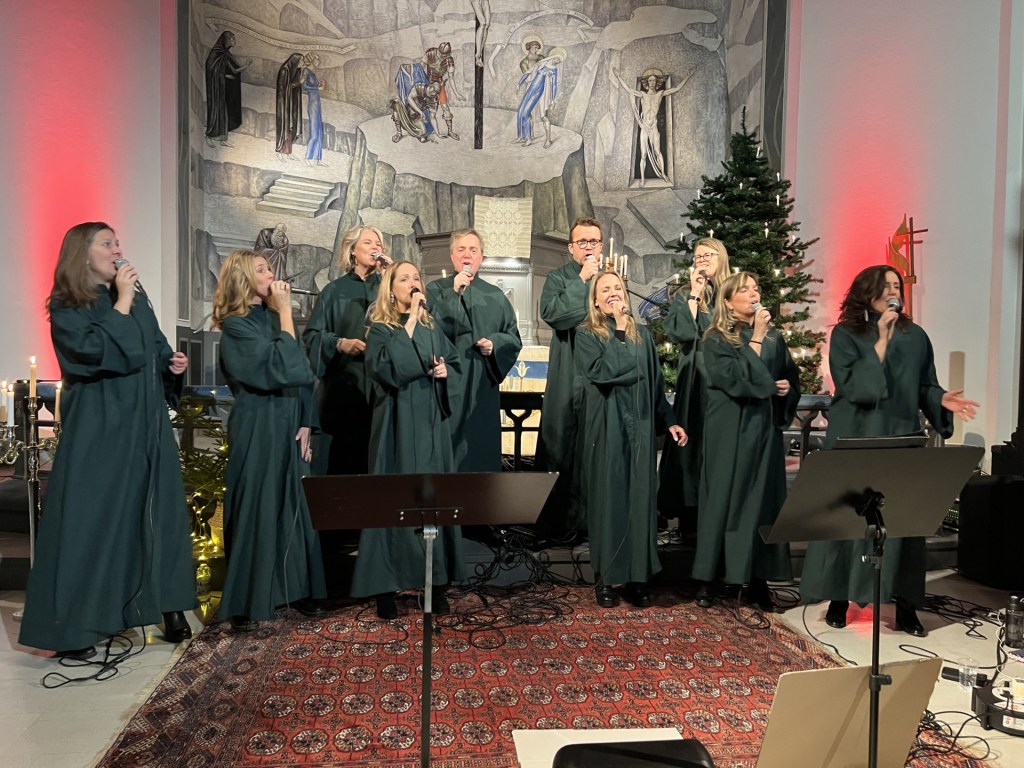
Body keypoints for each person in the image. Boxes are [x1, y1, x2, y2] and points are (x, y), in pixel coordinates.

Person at [19, 222, 194, 659]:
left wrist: (170, 364)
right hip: (102, 425)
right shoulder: (68, 304)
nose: (118, 250)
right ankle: (76, 626)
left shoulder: (135, 298)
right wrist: (123, 301)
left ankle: (167, 605)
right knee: (93, 519)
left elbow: (152, 345)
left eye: (118, 242)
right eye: (108, 243)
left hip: (146, 422)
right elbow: (93, 354)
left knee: (158, 512)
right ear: (83, 253)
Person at [800, 265, 979, 636]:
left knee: (902, 521)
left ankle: (906, 605)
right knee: (848, 520)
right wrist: (880, 339)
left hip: (900, 435)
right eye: (886, 286)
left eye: (897, 286)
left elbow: (924, 384)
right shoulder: (846, 334)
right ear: (867, 291)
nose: (893, 291)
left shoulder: (916, 336)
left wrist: (939, 399)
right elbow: (854, 387)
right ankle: (839, 598)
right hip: (855, 438)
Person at [212, 250, 327, 630]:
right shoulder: (236, 326)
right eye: (261, 269)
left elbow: (304, 374)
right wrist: (286, 313)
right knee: (257, 506)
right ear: (244, 279)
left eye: (269, 267)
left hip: (291, 421)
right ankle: (247, 601)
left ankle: (296, 588)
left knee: (293, 504)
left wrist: (307, 422)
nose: (271, 274)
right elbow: (281, 367)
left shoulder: (274, 319)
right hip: (259, 423)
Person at [352, 261, 465, 619]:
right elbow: (387, 368)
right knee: (393, 499)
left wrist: (446, 372)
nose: (414, 283)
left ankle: (436, 582)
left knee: (433, 498)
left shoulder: (433, 329)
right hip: (397, 425)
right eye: (405, 279)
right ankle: (385, 586)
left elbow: (455, 363)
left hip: (430, 427)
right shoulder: (381, 329)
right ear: (390, 290)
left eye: (417, 277)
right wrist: (412, 320)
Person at [576, 271, 687, 608]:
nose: (613, 293)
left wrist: (669, 420)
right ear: (596, 301)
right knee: (610, 502)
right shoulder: (587, 334)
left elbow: (654, 383)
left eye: (618, 288)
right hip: (608, 427)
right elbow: (602, 372)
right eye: (605, 289)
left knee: (640, 503)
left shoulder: (643, 336)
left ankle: (638, 577)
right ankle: (607, 577)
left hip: (640, 427)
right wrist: (620, 331)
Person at [691, 271, 800, 611]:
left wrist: (785, 389)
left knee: (761, 502)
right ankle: (709, 578)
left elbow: (788, 377)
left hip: (762, 429)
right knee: (724, 499)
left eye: (756, 288)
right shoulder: (715, 339)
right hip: (728, 429)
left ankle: (757, 578)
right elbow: (736, 380)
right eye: (745, 290)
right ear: (727, 301)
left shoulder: (774, 339)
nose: (754, 294)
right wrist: (757, 339)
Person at [426, 228, 522, 471]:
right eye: (461, 249)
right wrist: (453, 294)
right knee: (447, 449)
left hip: (482, 383)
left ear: (481, 257)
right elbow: (427, 330)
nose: (467, 255)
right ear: (452, 256)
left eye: (473, 250)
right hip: (446, 383)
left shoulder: (496, 296)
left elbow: (513, 337)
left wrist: (495, 344)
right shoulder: (436, 290)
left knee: (480, 448)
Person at [657, 238, 732, 532]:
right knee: (692, 442)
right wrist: (695, 295)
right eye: (697, 256)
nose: (701, 260)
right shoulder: (685, 294)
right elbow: (681, 332)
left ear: (720, 258)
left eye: (707, 255)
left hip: (723, 378)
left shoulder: (733, 292)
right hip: (695, 380)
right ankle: (690, 514)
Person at [302, 226, 390, 476]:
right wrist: (340, 343)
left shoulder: (388, 290)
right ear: (352, 250)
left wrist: (391, 279)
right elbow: (312, 336)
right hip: (344, 388)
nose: (375, 248)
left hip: (380, 387)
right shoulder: (334, 291)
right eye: (368, 243)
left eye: (379, 244)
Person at [537, 216, 603, 535]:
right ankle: (557, 527)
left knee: (594, 449)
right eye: (583, 242)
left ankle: (592, 525)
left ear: (601, 247)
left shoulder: (609, 280)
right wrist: (581, 280)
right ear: (571, 248)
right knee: (560, 445)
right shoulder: (558, 278)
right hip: (568, 371)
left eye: (594, 241)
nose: (589, 247)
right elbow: (555, 315)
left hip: (599, 375)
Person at [611, 68, 689, 184]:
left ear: (657, 82)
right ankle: (642, 179)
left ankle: (663, 174)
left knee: (658, 152)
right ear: (647, 83)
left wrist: (688, 76)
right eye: (650, 80)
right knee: (643, 154)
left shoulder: (660, 94)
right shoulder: (642, 94)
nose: (652, 82)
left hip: (654, 128)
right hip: (644, 127)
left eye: (654, 80)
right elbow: (628, 89)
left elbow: (676, 89)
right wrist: (618, 77)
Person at [516, 40, 563, 148]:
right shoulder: (542, 63)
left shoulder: (554, 70)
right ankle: (528, 137)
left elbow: (554, 85)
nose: (559, 61)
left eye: (560, 61)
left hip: (540, 93)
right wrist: (519, 83)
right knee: (524, 112)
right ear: (554, 57)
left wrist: (552, 99)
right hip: (531, 90)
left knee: (543, 116)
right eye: (558, 59)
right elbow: (528, 72)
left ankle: (548, 139)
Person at [204, 31, 248, 146]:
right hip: (215, 89)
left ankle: (223, 138)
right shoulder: (217, 53)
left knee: (224, 112)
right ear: (227, 40)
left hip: (223, 88)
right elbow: (211, 68)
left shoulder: (225, 53)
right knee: (215, 111)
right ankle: (210, 135)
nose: (234, 41)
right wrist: (224, 76)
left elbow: (233, 70)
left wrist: (246, 66)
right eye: (232, 39)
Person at [275, 53, 303, 158]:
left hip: (290, 102)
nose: (302, 63)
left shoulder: (294, 71)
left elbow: (292, 86)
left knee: (290, 127)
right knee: (285, 127)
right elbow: (284, 87)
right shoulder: (284, 71)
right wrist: (299, 82)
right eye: (301, 61)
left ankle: (287, 152)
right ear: (295, 61)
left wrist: (298, 81)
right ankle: (281, 152)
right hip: (284, 103)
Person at [301, 53, 326, 165]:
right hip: (313, 104)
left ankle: (318, 158)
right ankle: (308, 157)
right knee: (315, 132)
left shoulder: (313, 73)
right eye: (317, 59)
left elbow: (313, 87)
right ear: (311, 60)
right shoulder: (306, 71)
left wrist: (319, 85)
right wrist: (318, 88)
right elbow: (304, 87)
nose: (319, 61)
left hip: (317, 103)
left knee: (319, 131)